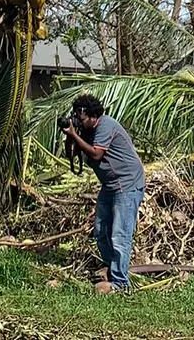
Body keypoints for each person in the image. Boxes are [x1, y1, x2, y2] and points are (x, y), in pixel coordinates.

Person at [62, 93, 144, 294]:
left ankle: (120, 282)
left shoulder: (106, 125)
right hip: (110, 186)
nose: (78, 121)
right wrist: (70, 135)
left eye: (80, 118)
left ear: (92, 115)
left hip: (127, 184)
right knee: (100, 230)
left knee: (120, 234)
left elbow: (96, 153)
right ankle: (112, 268)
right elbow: (70, 155)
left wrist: (74, 135)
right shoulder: (86, 129)